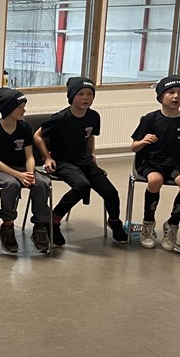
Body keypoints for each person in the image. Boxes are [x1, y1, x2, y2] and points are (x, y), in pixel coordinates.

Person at [33, 77, 129, 246]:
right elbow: (37, 136)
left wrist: (92, 153)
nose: (86, 98)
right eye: (81, 94)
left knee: (111, 193)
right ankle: (54, 219)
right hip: (63, 162)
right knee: (82, 186)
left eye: (90, 94)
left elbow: (90, 135)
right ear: (71, 96)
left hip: (85, 162)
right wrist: (47, 157)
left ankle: (114, 220)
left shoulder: (93, 116)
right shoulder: (61, 118)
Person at [129, 76, 180, 251]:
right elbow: (134, 147)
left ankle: (172, 224)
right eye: (171, 92)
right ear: (160, 96)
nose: (176, 96)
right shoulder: (150, 119)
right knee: (155, 180)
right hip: (152, 162)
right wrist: (143, 142)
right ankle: (148, 224)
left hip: (177, 163)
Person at [0, 87, 52, 253]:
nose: (24, 110)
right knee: (11, 184)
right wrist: (19, 175)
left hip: (23, 167)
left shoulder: (25, 127)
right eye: (20, 107)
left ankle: (40, 227)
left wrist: (29, 174)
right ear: (8, 109)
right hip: (0, 169)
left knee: (42, 183)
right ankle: (7, 226)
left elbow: (30, 157)